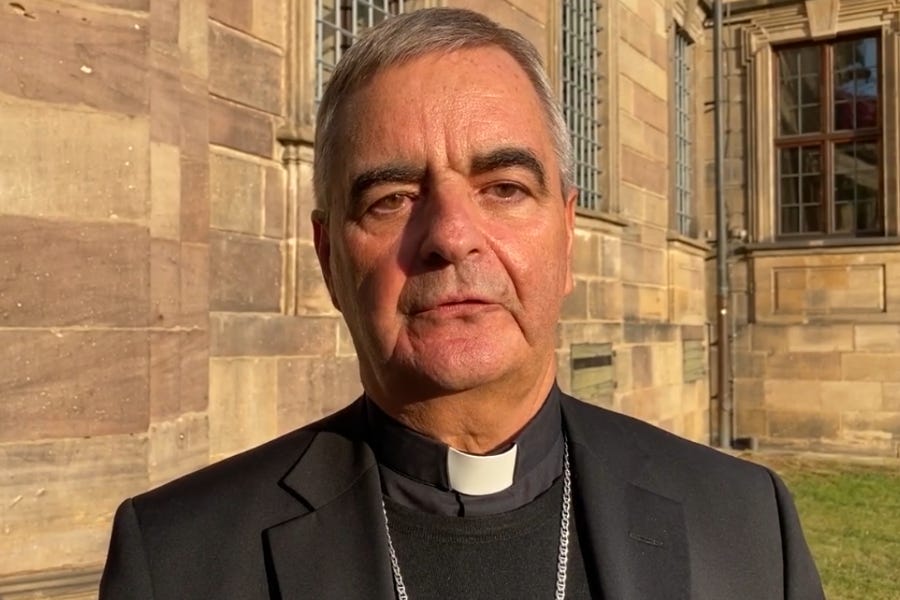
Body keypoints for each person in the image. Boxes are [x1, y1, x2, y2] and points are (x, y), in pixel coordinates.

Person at [100, 8, 825, 599]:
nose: (450, 236)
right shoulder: (178, 560)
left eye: (504, 188)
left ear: (567, 235)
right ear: (328, 258)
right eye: (391, 199)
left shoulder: (745, 523)